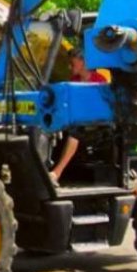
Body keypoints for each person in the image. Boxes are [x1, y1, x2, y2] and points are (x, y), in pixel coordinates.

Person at [48, 50, 107, 185]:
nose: (70, 67)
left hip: (94, 122)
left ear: (82, 62)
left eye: (72, 63)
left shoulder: (99, 81)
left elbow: (101, 108)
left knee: (75, 133)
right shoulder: (73, 81)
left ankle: (56, 173)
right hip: (75, 118)